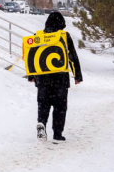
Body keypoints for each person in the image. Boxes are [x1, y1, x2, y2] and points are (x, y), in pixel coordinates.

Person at [28, 11, 83, 142]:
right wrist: (77, 75)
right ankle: (57, 133)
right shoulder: (64, 36)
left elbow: (31, 56)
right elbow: (72, 57)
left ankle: (41, 123)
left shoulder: (38, 36)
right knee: (60, 106)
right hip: (60, 79)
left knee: (43, 103)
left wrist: (31, 75)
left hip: (43, 78)